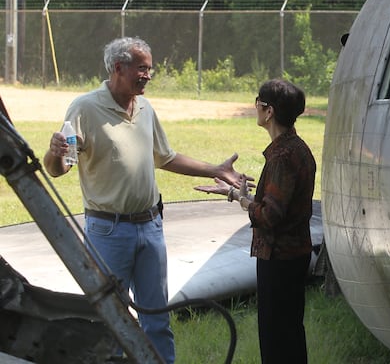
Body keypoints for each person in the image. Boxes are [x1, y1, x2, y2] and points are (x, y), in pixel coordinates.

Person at [43, 37, 243, 364]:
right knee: (111, 318)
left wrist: (215, 170)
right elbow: (61, 168)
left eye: (150, 68)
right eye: (142, 68)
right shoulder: (84, 109)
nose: (148, 75)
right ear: (118, 68)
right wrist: (54, 155)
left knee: (157, 318)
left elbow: (165, 157)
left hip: (150, 227)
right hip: (109, 232)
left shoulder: (146, 108)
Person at [195, 79, 316, 364]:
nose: (255, 107)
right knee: (290, 334)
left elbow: (269, 215)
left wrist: (239, 199)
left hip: (279, 259)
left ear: (269, 111)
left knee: (276, 339)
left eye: (258, 102)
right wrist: (239, 195)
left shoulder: (282, 157)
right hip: (294, 256)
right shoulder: (298, 148)